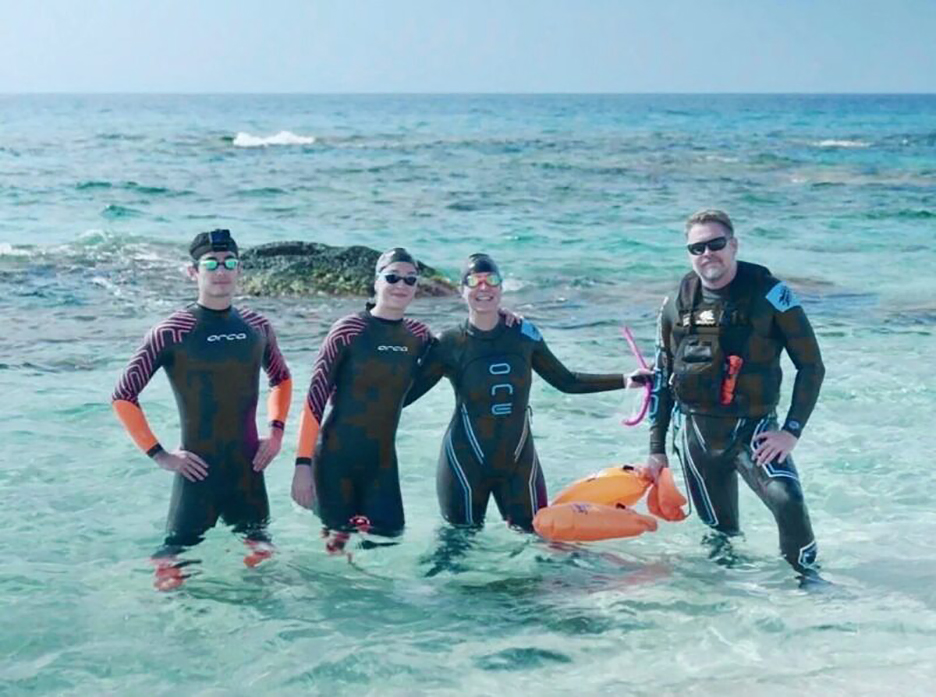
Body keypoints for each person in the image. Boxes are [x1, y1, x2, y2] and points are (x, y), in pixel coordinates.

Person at [405, 253, 650, 532]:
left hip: (519, 463)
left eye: (492, 280)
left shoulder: (524, 335)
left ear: (501, 287)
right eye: (474, 281)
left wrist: (625, 379)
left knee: (537, 540)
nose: (483, 288)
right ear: (462, 291)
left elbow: (566, 381)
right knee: (457, 547)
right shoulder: (448, 343)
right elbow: (404, 397)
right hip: (463, 463)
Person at [647, 209, 825, 577]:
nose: (707, 254)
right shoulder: (674, 304)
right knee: (720, 536)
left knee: (788, 504)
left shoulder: (772, 295)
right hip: (697, 436)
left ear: (734, 245)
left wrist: (791, 431)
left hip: (754, 430)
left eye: (716, 244)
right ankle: (726, 613)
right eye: (697, 247)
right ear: (689, 253)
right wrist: (656, 450)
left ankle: (808, 584)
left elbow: (811, 366)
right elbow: (662, 377)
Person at [112, 229, 292, 589]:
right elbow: (123, 395)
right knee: (171, 565)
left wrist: (275, 433)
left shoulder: (257, 327)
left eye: (230, 263)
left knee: (266, 567)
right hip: (197, 475)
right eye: (211, 263)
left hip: (248, 470)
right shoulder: (172, 331)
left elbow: (281, 379)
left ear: (239, 270)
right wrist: (160, 454)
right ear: (194, 272)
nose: (221, 270)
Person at [291, 248, 432, 548]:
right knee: (337, 548)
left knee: (388, 541)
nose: (401, 286)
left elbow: (457, 357)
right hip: (334, 459)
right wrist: (302, 466)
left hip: (381, 462)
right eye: (392, 277)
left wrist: (501, 319)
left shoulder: (419, 336)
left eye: (410, 280)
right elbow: (315, 398)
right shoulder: (349, 330)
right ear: (376, 281)